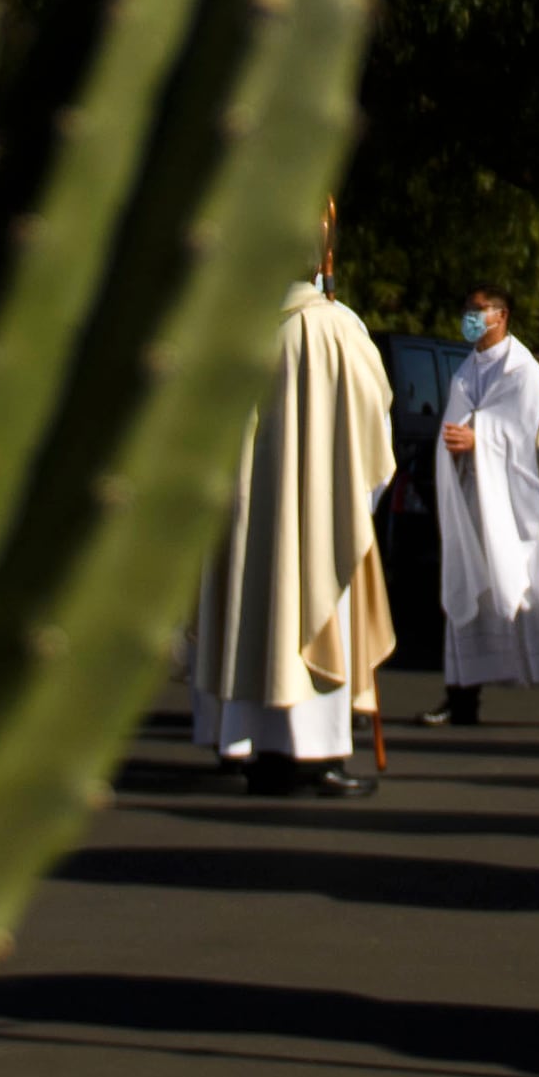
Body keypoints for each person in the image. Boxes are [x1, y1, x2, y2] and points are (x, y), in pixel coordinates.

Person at [188, 240, 399, 799]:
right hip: (315, 505)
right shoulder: (331, 326)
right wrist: (362, 490)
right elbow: (372, 407)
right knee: (313, 606)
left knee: (258, 614)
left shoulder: (230, 325)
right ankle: (316, 755)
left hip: (246, 508)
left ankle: (262, 751)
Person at [431, 291, 539, 723]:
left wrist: (480, 439)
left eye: (479, 311)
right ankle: (462, 697)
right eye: (467, 310)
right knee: (466, 586)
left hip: (514, 510)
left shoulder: (526, 374)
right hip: (474, 502)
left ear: (502, 315)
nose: (470, 318)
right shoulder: (466, 372)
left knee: (532, 597)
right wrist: (456, 448)